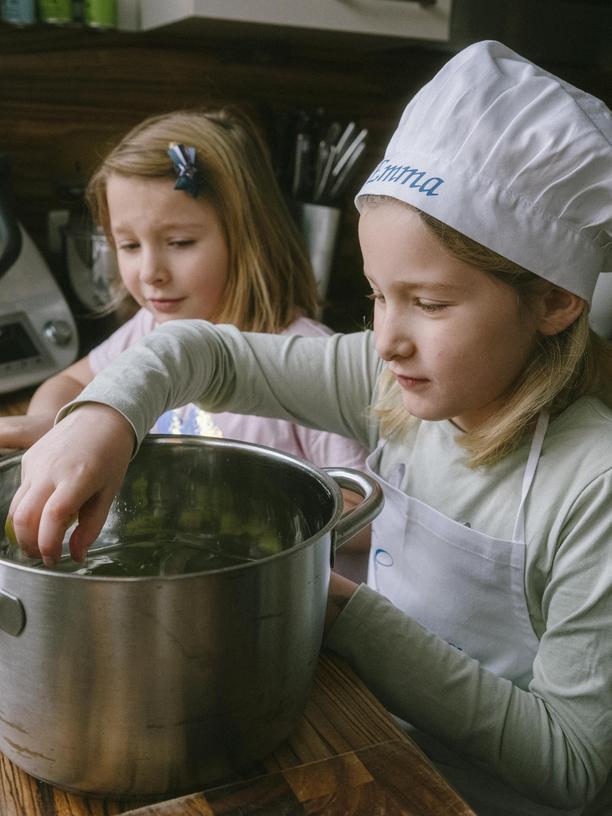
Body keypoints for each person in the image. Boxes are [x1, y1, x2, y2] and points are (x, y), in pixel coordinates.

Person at [7, 41, 612, 815]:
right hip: (374, 744)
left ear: (557, 301)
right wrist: (103, 418)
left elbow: (569, 762)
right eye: (377, 296)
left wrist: (338, 612)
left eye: (428, 303)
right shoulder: (392, 378)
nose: (389, 338)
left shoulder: (590, 482)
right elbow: (203, 349)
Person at [0, 107, 367, 477]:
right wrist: (60, 427)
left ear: (248, 239)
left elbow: (363, 511)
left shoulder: (308, 361)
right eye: (129, 246)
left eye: (179, 242)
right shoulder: (148, 330)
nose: (150, 273)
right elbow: (69, 382)